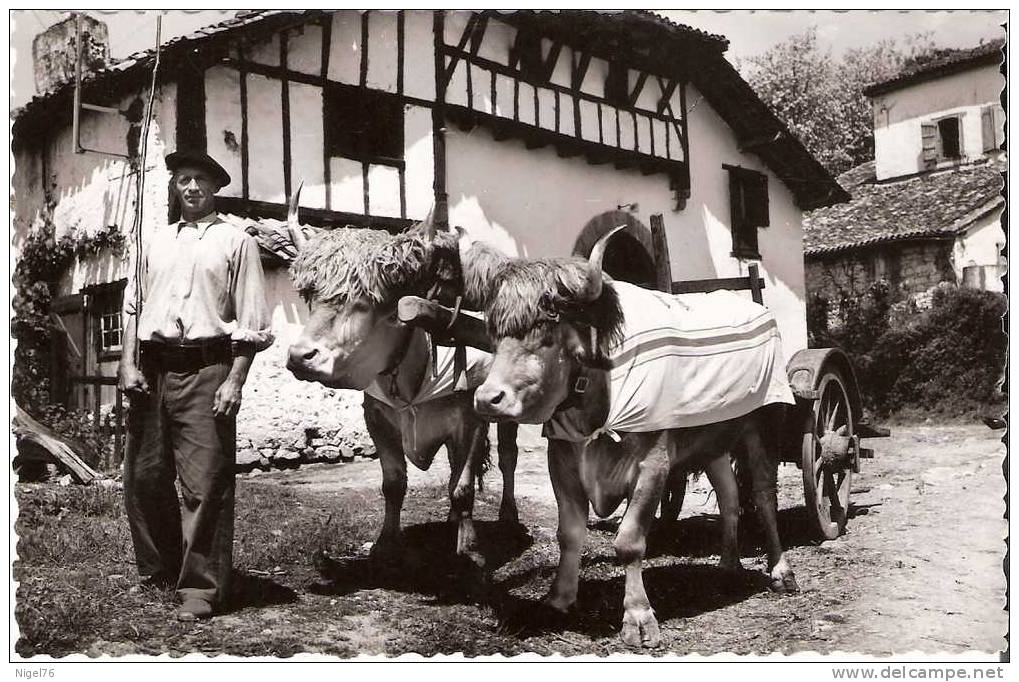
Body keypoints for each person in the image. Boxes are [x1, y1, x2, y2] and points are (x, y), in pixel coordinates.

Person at [118, 150, 274, 621]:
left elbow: (252, 323)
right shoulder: (156, 242)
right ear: (174, 187)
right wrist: (128, 365)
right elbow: (133, 310)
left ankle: (201, 589)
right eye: (183, 180)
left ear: (214, 188)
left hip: (207, 370)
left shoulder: (236, 241)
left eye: (199, 181)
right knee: (143, 478)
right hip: (152, 369)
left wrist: (235, 381)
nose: (190, 188)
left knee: (204, 483)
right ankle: (162, 569)